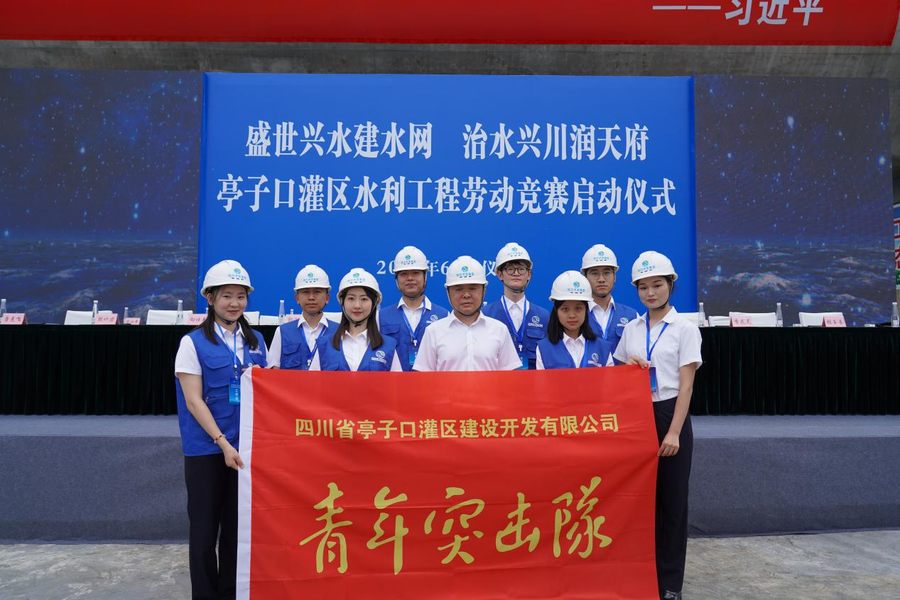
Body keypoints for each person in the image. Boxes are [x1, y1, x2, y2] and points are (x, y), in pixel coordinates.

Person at [174, 259, 268, 600]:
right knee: (203, 532)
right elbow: (193, 401)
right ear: (210, 298)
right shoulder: (192, 343)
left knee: (235, 530)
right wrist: (223, 443)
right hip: (207, 450)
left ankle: (231, 592)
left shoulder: (257, 341)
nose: (234, 303)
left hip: (245, 450)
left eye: (240, 296)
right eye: (227, 295)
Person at [612, 251, 702, 600]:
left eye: (657, 285)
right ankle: (642, 575)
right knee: (639, 502)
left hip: (669, 414)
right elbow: (616, 376)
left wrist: (674, 431)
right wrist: (628, 366)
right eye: (643, 287)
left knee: (672, 503)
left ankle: (670, 584)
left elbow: (687, 386)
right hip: (637, 417)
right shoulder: (632, 329)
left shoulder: (685, 329)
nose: (650, 293)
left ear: (670, 286)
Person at [413, 255, 521, 371]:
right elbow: (423, 377)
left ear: (484, 290)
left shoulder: (499, 330)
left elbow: (510, 377)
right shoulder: (433, 332)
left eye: (473, 288)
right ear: (448, 292)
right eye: (458, 289)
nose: (466, 295)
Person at [309, 268, 402, 371]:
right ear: (342, 302)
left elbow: (397, 381)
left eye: (364, 299)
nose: (357, 305)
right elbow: (312, 381)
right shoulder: (324, 345)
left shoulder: (388, 346)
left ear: (374, 303)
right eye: (351, 298)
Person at [379, 246, 449, 371]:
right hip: (393, 382)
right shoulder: (381, 317)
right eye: (404, 274)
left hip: (432, 382)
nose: (410, 278)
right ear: (396, 279)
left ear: (425, 276)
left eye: (415, 273)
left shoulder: (444, 315)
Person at [482, 242, 550, 369]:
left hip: (534, 380)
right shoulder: (486, 314)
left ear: (529, 274)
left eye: (521, 269)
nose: (516, 273)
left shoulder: (544, 317)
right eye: (510, 269)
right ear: (499, 274)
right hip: (497, 380)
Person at [535, 271, 612, 369]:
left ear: (586, 310)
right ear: (556, 311)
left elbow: (610, 379)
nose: (572, 315)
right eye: (565, 309)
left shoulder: (603, 348)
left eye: (578, 308)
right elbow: (542, 379)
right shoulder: (544, 348)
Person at [267, 264, 332, 370]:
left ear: (327, 298)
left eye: (317, 292)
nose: (311, 297)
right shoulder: (282, 332)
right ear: (297, 298)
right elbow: (272, 373)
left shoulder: (340, 333)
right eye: (305, 292)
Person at [581, 243, 638, 354]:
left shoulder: (633, 316)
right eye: (594, 273)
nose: (601, 279)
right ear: (585, 278)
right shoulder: (573, 317)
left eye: (606, 273)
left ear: (614, 277)